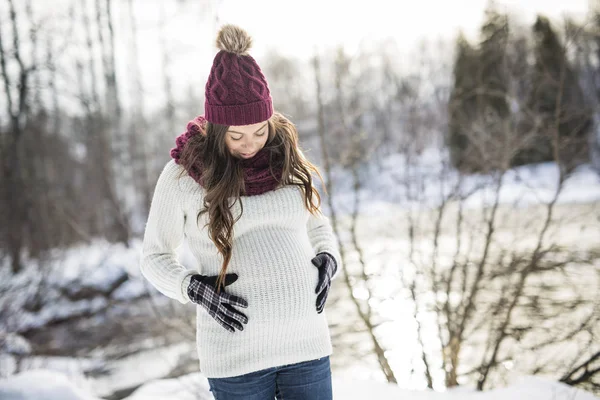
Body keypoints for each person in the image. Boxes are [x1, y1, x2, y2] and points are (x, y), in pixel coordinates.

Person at [140, 24, 341, 400]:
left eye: (260, 131)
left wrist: (328, 257)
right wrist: (193, 288)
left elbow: (318, 226)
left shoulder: (286, 160)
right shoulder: (184, 175)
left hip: (308, 344)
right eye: (237, 136)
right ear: (216, 129)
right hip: (237, 357)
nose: (251, 144)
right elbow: (153, 257)